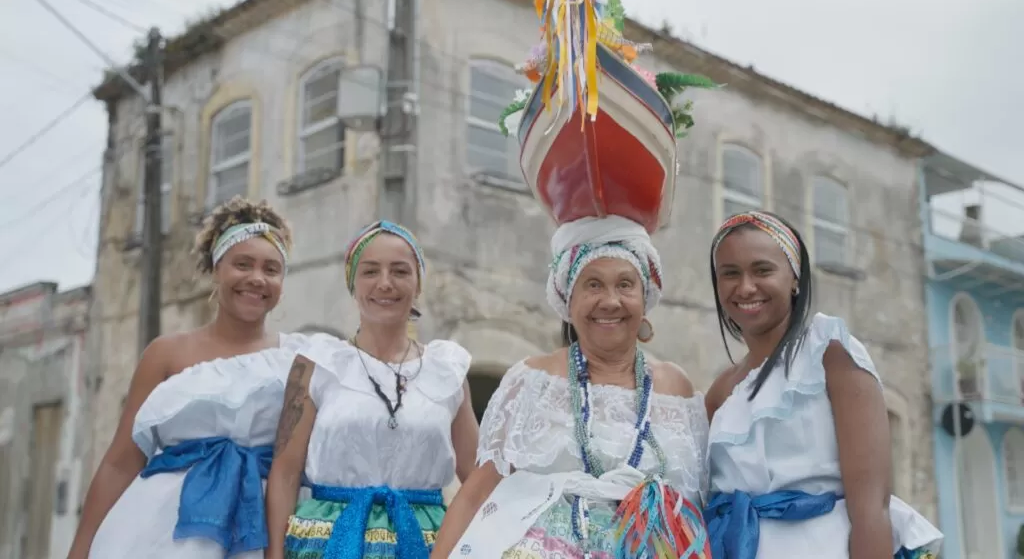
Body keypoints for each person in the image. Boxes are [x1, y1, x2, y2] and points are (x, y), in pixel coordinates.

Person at [431, 215, 712, 559]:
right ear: (569, 301)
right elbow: (476, 493)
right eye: (593, 285)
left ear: (645, 298)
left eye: (625, 284)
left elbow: (699, 505)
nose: (610, 301)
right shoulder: (532, 380)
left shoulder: (676, 387)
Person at [68, 197, 306, 559]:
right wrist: (80, 550)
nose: (257, 278)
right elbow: (121, 460)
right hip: (164, 531)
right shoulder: (166, 354)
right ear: (216, 269)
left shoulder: (299, 360)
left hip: (261, 528)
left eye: (271, 269)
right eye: (242, 264)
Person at [702, 210, 943, 559]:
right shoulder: (722, 391)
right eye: (730, 274)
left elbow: (872, 509)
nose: (746, 287)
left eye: (763, 270)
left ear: (795, 278)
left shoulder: (828, 352)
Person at [265, 220, 479, 559]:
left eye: (400, 271)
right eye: (370, 271)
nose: (385, 284)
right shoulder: (317, 362)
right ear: (352, 283)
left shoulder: (448, 369)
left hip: (426, 543)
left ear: (418, 283)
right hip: (326, 541)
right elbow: (286, 472)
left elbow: (478, 477)